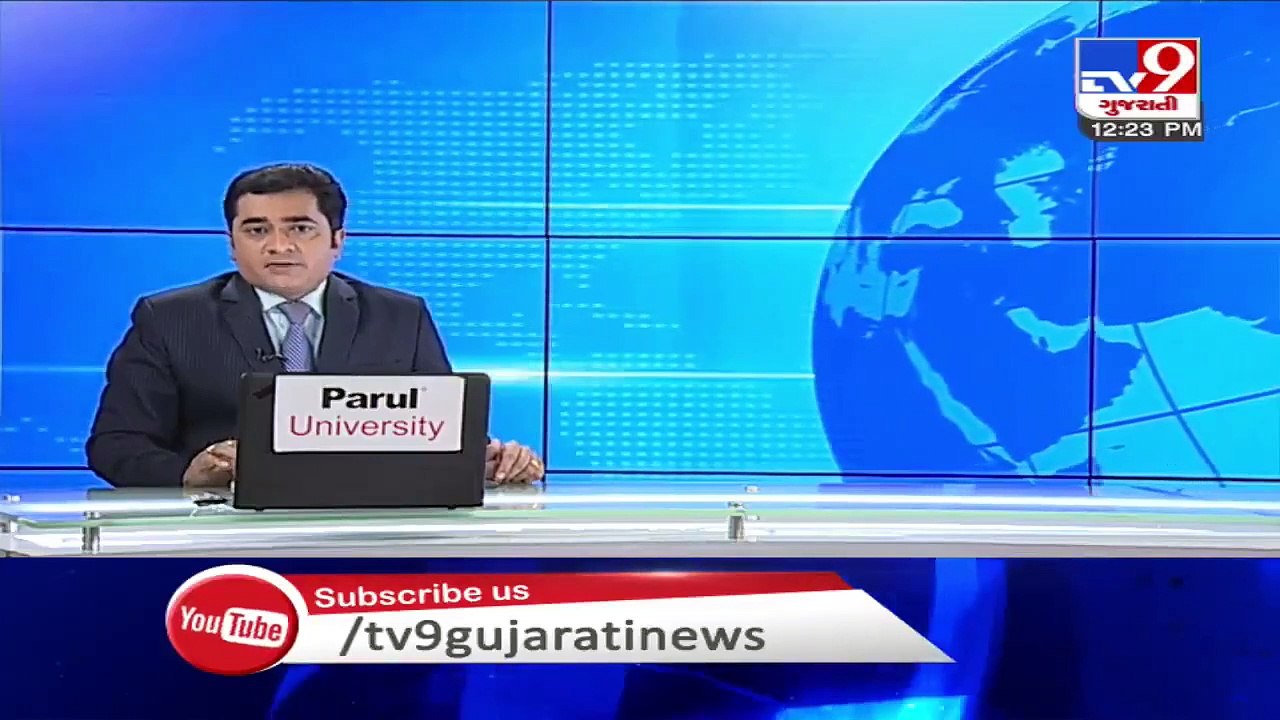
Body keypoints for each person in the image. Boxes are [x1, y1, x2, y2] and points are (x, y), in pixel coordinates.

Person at [86, 163, 544, 488]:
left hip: (371, 538)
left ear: (337, 241)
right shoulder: (171, 318)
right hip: (221, 535)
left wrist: (495, 463)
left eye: (300, 228)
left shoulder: (400, 316)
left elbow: (444, 437)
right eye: (256, 230)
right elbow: (114, 445)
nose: (278, 245)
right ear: (232, 243)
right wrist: (188, 474)